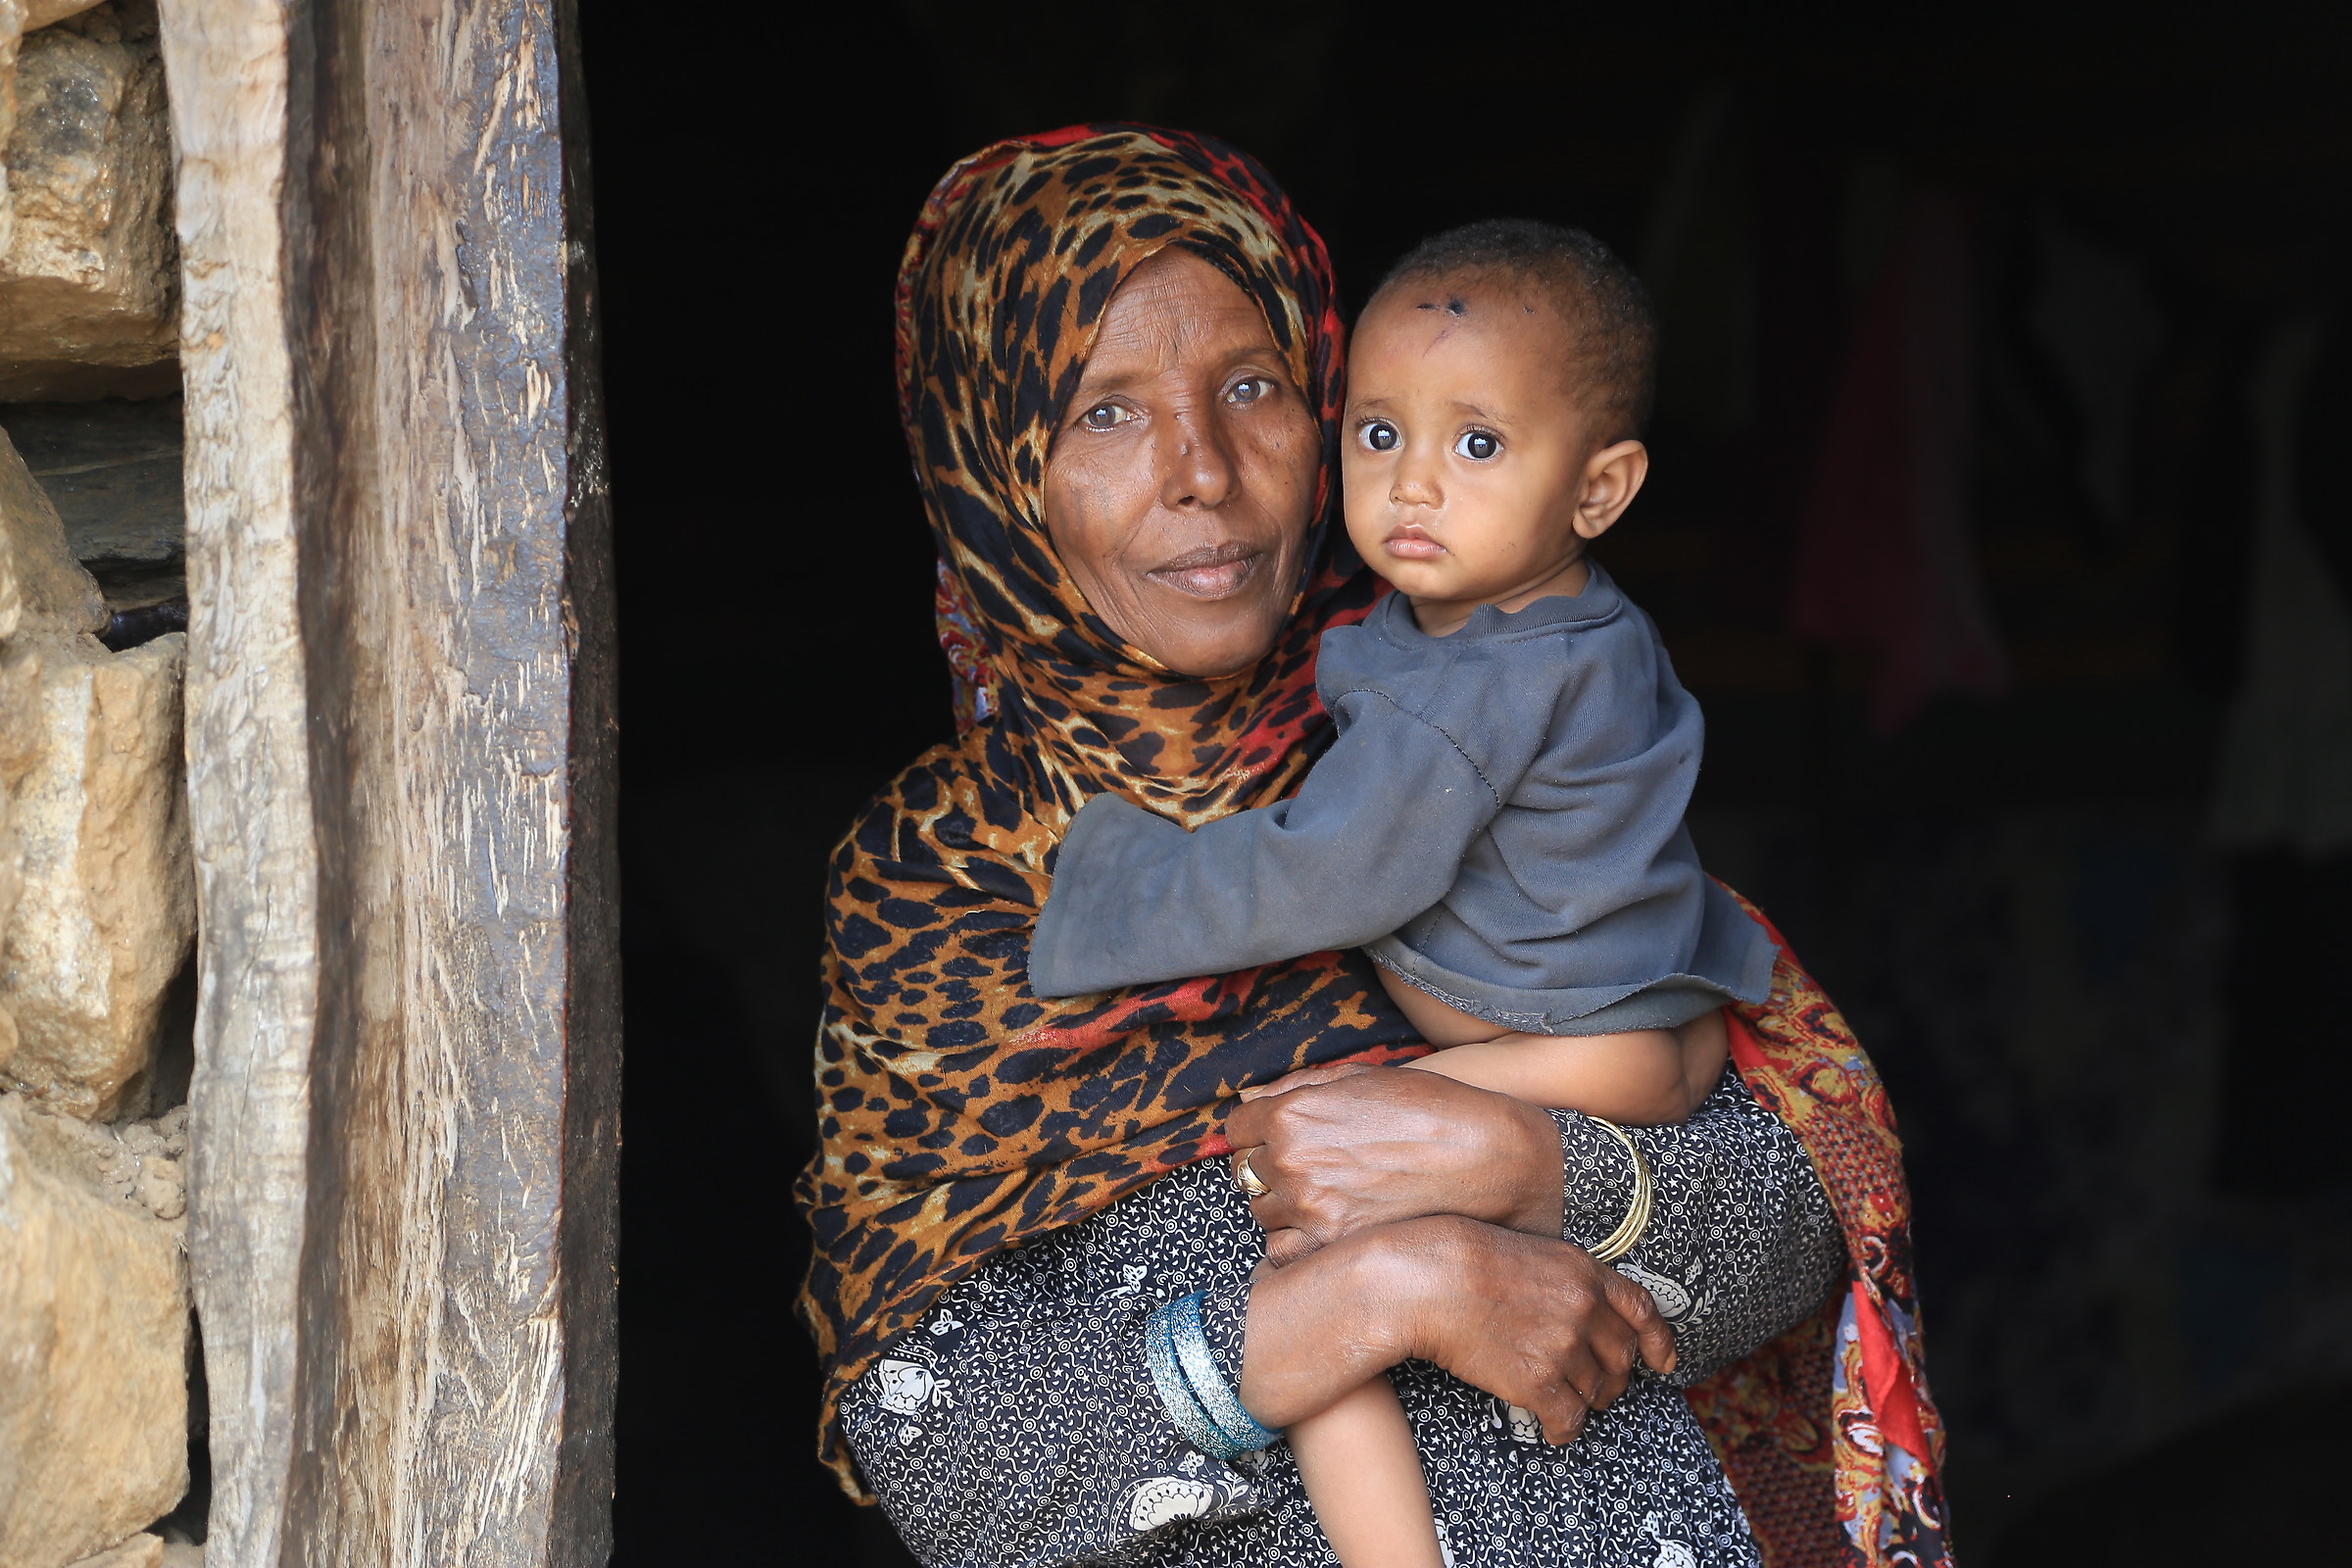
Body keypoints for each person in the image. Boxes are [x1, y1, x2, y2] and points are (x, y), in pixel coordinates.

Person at [794, 123, 1953, 1568]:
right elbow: (943, 1453)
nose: (1200, 470)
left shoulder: (1457, 709)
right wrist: (1384, 1290)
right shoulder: (948, 884)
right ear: (988, 465)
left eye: (1253, 387)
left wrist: (1531, 1167)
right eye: (1103, 412)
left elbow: (1798, 1225)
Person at [1028, 218, 1770, 1568]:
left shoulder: (1467, 697)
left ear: (1598, 490)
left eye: (1476, 446)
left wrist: (1107, 888)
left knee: (1311, 1279)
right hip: (1652, 1016)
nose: (1413, 487)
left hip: (1563, 1045)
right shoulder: (1550, 623)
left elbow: (1325, 868)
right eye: (1378, 436)